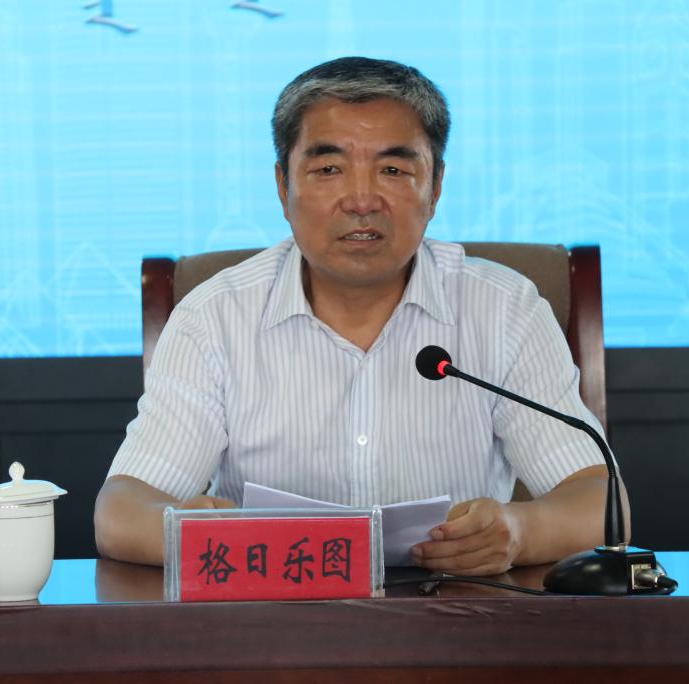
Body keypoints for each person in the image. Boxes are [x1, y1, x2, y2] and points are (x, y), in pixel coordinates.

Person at [94, 56, 628, 573]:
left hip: (457, 613)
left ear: (435, 187)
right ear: (283, 186)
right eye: (329, 169)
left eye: (393, 169)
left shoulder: (503, 309)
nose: (361, 200)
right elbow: (121, 511)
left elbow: (599, 501)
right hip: (270, 618)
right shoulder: (216, 317)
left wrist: (518, 532)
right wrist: (190, 532)